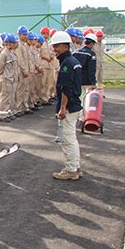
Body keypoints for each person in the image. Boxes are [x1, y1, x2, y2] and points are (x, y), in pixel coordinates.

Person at [48, 31, 87, 181]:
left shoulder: (66, 64)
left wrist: (63, 108)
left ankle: (70, 169)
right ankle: (75, 166)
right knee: (72, 138)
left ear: (65, 46)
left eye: (57, 46)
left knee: (67, 139)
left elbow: (66, 88)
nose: (54, 49)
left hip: (69, 106)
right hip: (75, 104)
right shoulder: (73, 61)